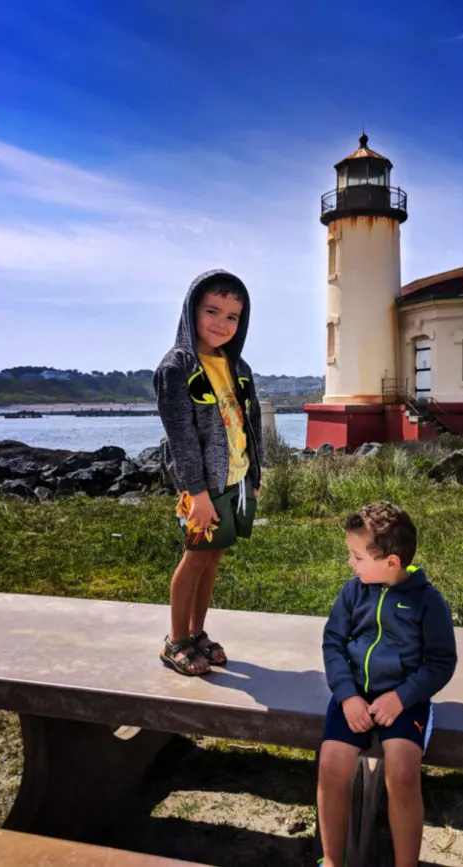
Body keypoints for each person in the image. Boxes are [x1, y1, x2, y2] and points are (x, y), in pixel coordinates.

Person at [317, 501, 457, 867]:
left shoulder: (429, 602)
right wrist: (347, 696)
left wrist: (402, 696)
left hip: (405, 700)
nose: (351, 563)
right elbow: (333, 644)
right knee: (331, 765)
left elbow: (441, 662)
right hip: (354, 696)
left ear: (391, 563)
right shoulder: (352, 593)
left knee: (402, 773)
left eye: (357, 556)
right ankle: (333, 860)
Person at [154, 269, 264, 676]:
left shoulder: (238, 366)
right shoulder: (177, 367)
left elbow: (250, 427)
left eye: (233, 316)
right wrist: (197, 493)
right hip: (201, 488)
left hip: (235, 479)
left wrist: (255, 475)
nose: (222, 323)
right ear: (191, 311)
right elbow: (181, 438)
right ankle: (175, 640)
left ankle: (197, 632)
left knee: (212, 557)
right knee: (194, 557)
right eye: (212, 311)